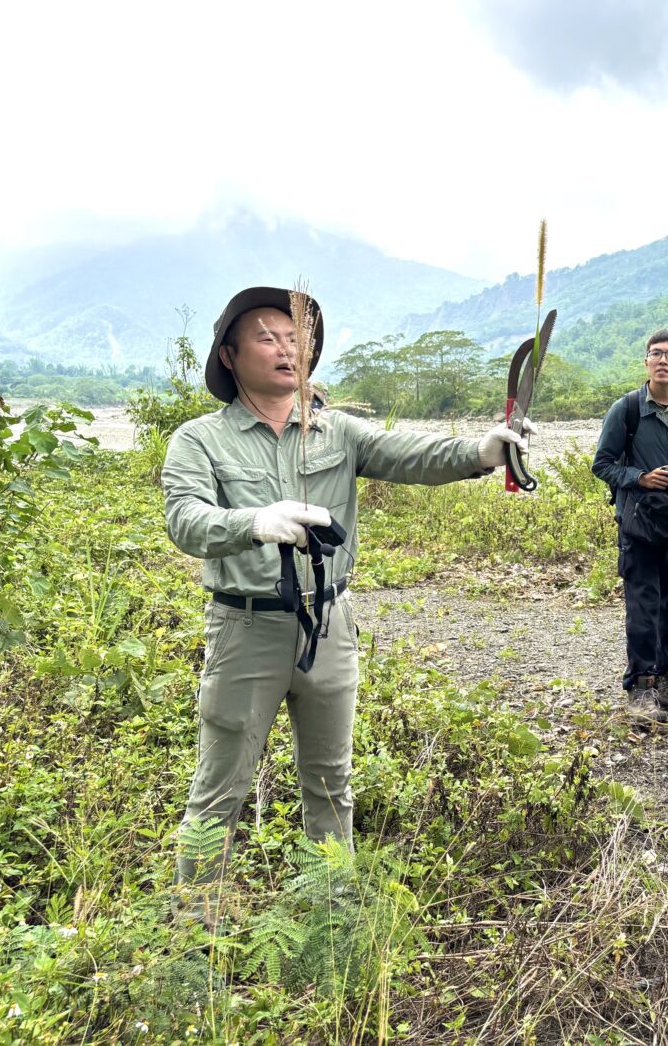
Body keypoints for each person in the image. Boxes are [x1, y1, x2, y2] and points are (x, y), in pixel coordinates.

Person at [162, 286, 529, 922]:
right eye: (268, 336)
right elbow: (185, 518)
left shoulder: (339, 430)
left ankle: (332, 918)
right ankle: (197, 930)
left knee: (331, 783)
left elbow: (411, 453)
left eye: (295, 336)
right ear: (229, 353)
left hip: (330, 624)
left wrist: (482, 451)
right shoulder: (200, 440)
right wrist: (255, 520)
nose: (287, 348)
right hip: (245, 630)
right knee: (220, 788)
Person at [592, 328, 668, 723]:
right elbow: (602, 464)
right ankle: (641, 688)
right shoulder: (626, 409)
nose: (663, 360)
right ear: (646, 361)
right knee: (643, 607)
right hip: (639, 524)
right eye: (655, 353)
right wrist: (639, 478)